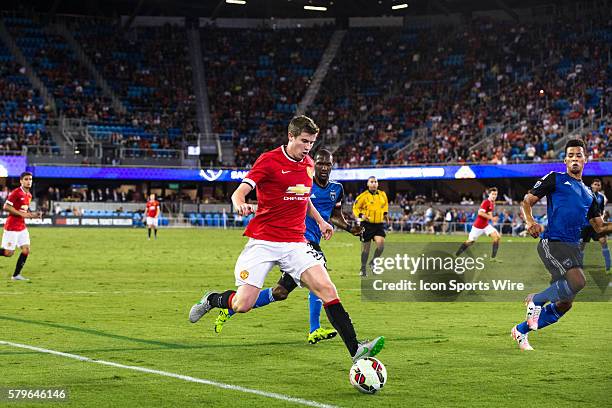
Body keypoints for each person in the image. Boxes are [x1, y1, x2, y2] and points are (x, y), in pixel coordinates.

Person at [188, 115, 384, 362]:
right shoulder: (268, 160)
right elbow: (240, 192)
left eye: (311, 142)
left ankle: (356, 349)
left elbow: (304, 198)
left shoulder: (309, 164)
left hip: (295, 243)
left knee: (327, 289)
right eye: (304, 141)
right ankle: (211, 299)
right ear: (290, 137)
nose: (308, 147)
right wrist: (239, 203)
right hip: (264, 240)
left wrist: (322, 221)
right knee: (242, 304)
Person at [212, 149, 364, 344]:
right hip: (297, 240)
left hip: (307, 242)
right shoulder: (301, 181)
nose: (324, 168)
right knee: (320, 278)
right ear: (314, 164)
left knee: (280, 293)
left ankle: (231, 307)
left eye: (328, 164)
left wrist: (350, 228)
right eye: (320, 163)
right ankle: (315, 329)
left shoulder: (337, 189)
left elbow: (335, 216)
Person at [511, 139, 612, 350]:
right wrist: (530, 221)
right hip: (553, 242)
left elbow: (600, 227)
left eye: (579, 155)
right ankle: (536, 300)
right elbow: (527, 201)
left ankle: (521, 330)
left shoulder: (589, 195)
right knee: (579, 281)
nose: (575, 159)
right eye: (571, 155)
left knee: (565, 303)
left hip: (573, 248)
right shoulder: (555, 179)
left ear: (585, 159)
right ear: (565, 159)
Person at [1, 172, 41, 281]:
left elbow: (24, 210)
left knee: (26, 250)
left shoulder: (29, 195)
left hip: (22, 227)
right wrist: (21, 214)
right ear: (21, 181)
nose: (29, 181)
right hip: (12, 227)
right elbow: (6, 206)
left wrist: (33, 215)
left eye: (30, 179)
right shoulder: (16, 193)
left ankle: (16, 275)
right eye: (26, 179)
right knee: (8, 253)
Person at [353, 176, 389, 277]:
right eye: (371, 182)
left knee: (381, 245)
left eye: (375, 182)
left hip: (378, 224)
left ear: (378, 184)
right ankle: (363, 268)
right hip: (367, 225)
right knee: (366, 249)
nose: (374, 184)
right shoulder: (363, 196)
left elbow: (385, 205)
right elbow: (355, 208)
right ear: (368, 184)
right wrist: (361, 215)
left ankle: (373, 262)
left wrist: (385, 214)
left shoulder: (382, 195)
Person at [455, 187, 501, 261]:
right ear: (489, 194)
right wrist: (491, 218)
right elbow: (480, 213)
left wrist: (493, 219)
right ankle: (456, 254)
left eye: (495, 194)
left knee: (497, 237)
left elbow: (489, 213)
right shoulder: (486, 202)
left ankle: (493, 258)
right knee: (470, 242)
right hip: (478, 227)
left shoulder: (492, 203)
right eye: (493, 194)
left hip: (486, 226)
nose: (494, 196)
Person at [579, 179, 610, 272]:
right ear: (592, 185)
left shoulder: (601, 197)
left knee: (603, 241)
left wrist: (602, 218)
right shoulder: (585, 195)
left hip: (596, 226)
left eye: (598, 185)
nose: (597, 186)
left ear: (600, 187)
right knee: (581, 246)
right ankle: (579, 266)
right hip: (585, 224)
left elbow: (601, 210)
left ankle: (609, 266)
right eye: (595, 184)